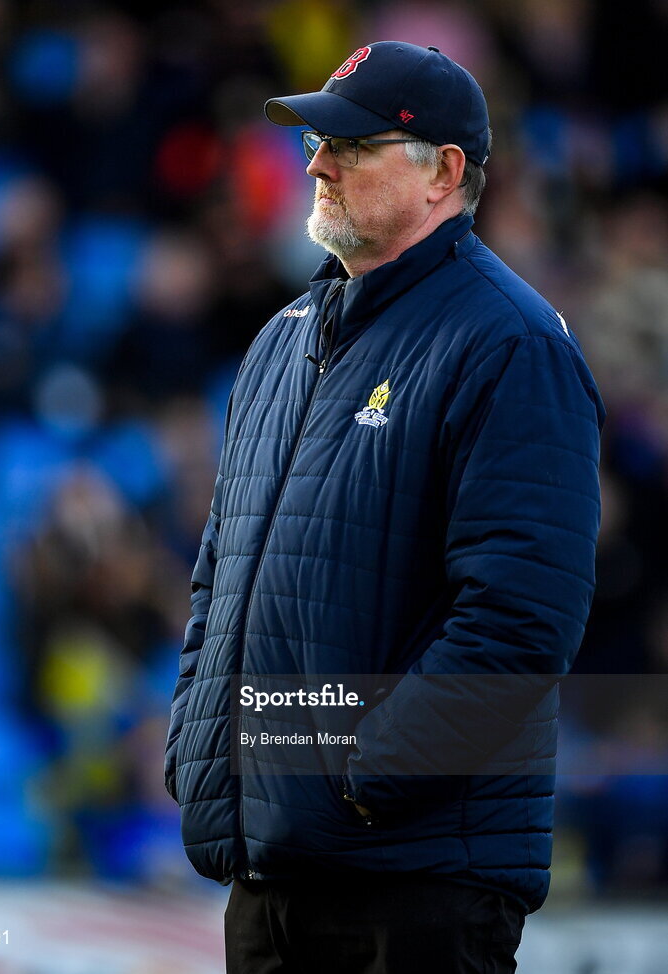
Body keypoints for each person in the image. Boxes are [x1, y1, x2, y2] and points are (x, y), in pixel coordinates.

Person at [165, 41, 605, 973]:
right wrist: (202, 751)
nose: (316, 162)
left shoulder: (510, 343)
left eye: (352, 145)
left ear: (445, 173)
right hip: (273, 870)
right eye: (318, 141)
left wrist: (364, 777)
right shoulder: (279, 342)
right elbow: (217, 579)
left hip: (416, 881)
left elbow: (522, 616)